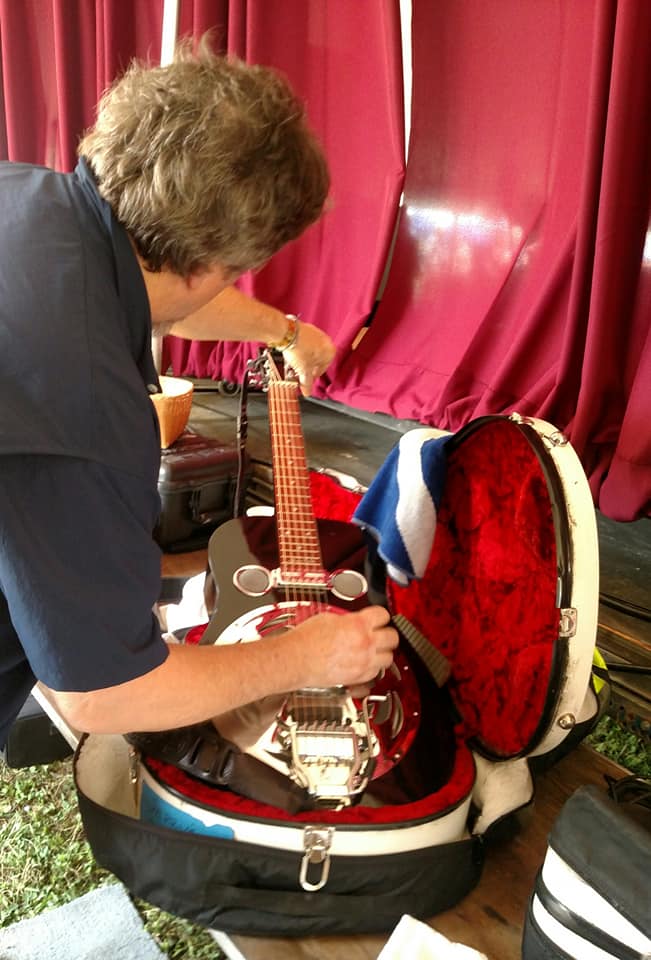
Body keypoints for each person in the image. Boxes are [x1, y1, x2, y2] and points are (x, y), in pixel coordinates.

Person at [0, 39, 398, 754]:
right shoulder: (85, 408)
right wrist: (306, 657)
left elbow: (161, 287)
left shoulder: (30, 196)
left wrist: (285, 330)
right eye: (235, 271)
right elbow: (103, 693)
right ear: (216, 263)